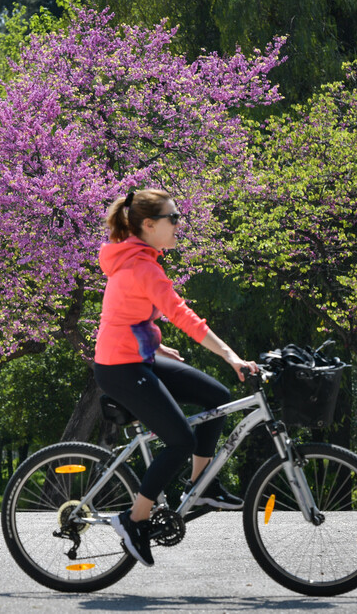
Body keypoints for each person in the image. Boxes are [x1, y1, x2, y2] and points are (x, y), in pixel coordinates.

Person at [94, 189, 259, 567]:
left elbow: (129, 314)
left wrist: (156, 345)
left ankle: (201, 487)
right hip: (121, 368)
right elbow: (183, 316)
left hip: (138, 356)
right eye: (174, 218)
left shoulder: (139, 260)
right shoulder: (142, 267)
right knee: (180, 439)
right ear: (149, 225)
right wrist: (230, 355)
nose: (179, 225)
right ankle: (134, 520)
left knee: (217, 398)